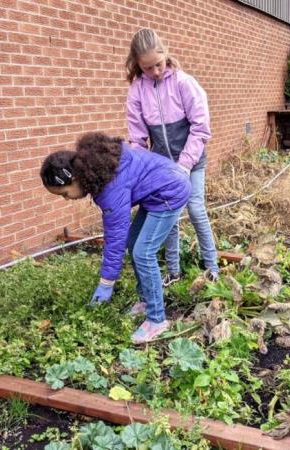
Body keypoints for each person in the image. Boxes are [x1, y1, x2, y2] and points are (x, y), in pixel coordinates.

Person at [40, 132, 191, 344]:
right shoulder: (100, 169)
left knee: (143, 252)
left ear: (74, 178)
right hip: (157, 190)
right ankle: (147, 300)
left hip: (170, 192)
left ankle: (157, 319)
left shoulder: (110, 187)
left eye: (64, 193)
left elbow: (115, 238)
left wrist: (106, 282)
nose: (66, 199)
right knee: (134, 243)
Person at [125, 28, 219, 287]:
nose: (155, 71)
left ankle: (212, 266)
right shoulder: (137, 91)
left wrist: (185, 165)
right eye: (147, 68)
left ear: (165, 54)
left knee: (196, 209)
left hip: (192, 159)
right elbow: (138, 140)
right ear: (137, 65)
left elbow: (200, 129)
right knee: (168, 214)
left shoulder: (183, 83)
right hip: (162, 165)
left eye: (158, 64)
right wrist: (140, 171)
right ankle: (174, 271)